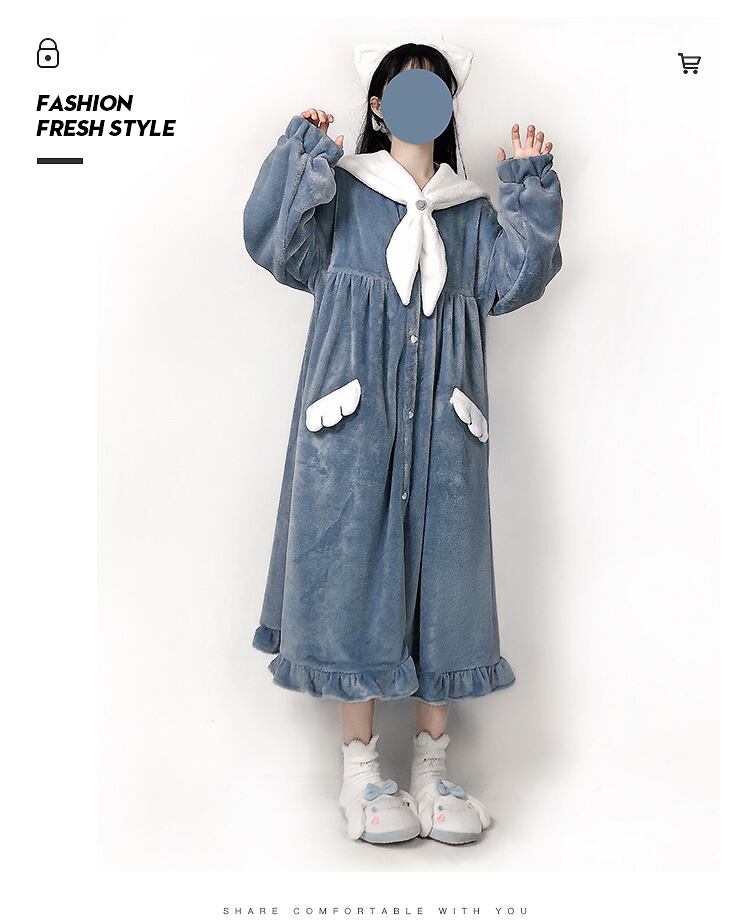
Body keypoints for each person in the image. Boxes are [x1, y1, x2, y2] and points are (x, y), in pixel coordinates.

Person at [243, 41, 563, 846]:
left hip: (448, 428)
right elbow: (276, 247)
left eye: (434, 86)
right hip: (350, 427)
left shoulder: (470, 213)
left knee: (444, 582)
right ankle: (359, 773)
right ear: (378, 106)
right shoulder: (343, 195)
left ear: (448, 105)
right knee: (351, 573)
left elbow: (515, 280)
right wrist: (300, 159)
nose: (419, 98)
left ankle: (432, 769)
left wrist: (529, 185)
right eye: (402, 85)